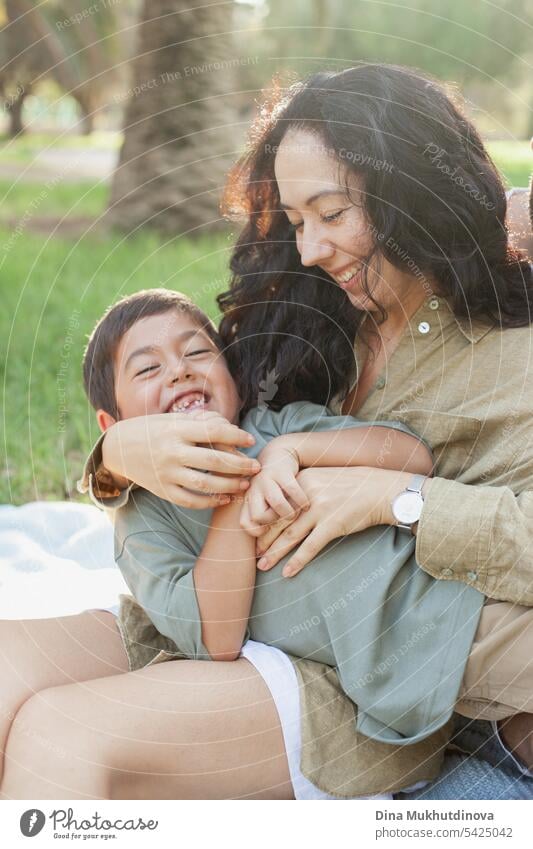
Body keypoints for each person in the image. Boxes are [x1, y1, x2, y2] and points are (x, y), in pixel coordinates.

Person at [2, 62, 533, 800]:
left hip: (345, 670)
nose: (310, 247)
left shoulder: (508, 359)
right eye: (295, 219)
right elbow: (189, 395)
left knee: (60, 733)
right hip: (191, 610)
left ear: (406, 191)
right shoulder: (309, 314)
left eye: (331, 212)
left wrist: (398, 497)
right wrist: (119, 451)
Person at [82, 286, 485, 751]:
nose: (180, 370)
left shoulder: (274, 427)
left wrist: (288, 451)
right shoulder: (142, 520)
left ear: (232, 378)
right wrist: (238, 490)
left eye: (197, 352)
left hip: (462, 597)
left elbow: (410, 454)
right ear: (113, 428)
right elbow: (219, 639)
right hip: (401, 669)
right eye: (149, 368)